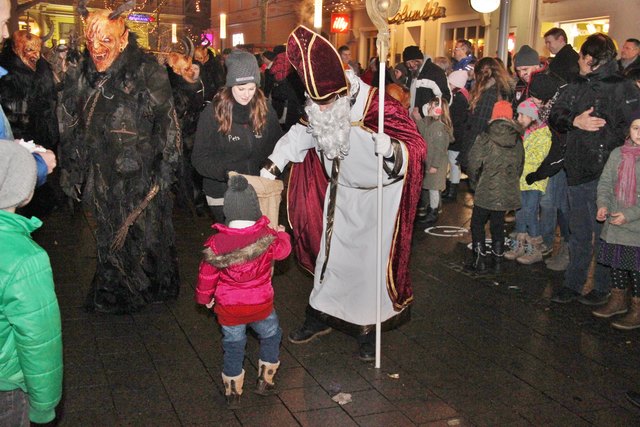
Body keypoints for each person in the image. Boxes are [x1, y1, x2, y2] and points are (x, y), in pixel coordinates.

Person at [261, 26, 426, 361]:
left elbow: (417, 148)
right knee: (331, 261)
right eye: (316, 104)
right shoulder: (320, 107)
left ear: (343, 91)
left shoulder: (378, 106)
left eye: (326, 104)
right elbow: (302, 134)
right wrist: (274, 163)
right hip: (340, 196)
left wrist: (392, 149)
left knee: (369, 269)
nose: (321, 111)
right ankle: (320, 315)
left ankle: (368, 329)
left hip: (378, 199)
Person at [59, 4, 181, 313]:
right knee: (111, 230)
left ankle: (151, 283)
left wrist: (166, 165)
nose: (97, 49)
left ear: (124, 39)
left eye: (106, 40)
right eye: (91, 41)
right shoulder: (84, 74)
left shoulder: (148, 71)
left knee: (147, 232)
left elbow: (168, 120)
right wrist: (73, 166)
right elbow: (74, 123)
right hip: (104, 171)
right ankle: (116, 289)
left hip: (143, 170)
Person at [549, 33, 640, 305]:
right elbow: (555, 114)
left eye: (581, 56)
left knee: (605, 234)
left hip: (609, 173)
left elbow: (634, 125)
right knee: (578, 231)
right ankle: (574, 283)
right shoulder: (576, 84)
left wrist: (606, 138)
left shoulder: (623, 87)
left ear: (590, 58)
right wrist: (575, 120)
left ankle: (603, 287)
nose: (578, 60)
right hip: (577, 168)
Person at [195, 174, 291, 408]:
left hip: (229, 308)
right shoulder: (267, 236)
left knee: (233, 345)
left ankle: (233, 392)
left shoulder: (217, 243)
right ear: (255, 209)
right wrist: (282, 233)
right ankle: (266, 380)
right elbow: (283, 252)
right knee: (271, 334)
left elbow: (207, 276)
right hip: (261, 305)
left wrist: (205, 299)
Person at [0, 140, 62, 426]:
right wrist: (44, 405)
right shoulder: (26, 259)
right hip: (6, 389)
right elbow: (39, 342)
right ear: (26, 193)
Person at [192, 50, 282, 224]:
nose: (246, 94)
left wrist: (272, 168)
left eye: (251, 88)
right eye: (241, 88)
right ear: (230, 85)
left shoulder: (265, 109)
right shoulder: (212, 113)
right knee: (237, 239)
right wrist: (227, 174)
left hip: (258, 190)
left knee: (260, 239)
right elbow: (199, 158)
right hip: (223, 193)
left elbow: (278, 146)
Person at [591, 110, 640, 329]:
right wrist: (603, 205)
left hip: (636, 226)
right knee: (617, 264)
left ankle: (637, 308)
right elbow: (606, 182)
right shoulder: (618, 153)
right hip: (615, 223)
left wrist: (629, 215)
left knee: (637, 270)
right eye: (636, 128)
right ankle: (618, 300)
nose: (639, 133)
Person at [466, 101, 524, 274]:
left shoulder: (485, 137)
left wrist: (475, 183)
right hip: (506, 190)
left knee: (477, 223)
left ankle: (479, 261)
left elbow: (473, 164)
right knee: (498, 224)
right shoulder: (517, 139)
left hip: (486, 187)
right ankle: (498, 261)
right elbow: (520, 166)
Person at [523, 73, 570, 270]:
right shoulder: (546, 107)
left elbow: (559, 149)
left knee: (557, 204)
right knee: (547, 202)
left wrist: (539, 173)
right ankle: (544, 241)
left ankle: (558, 245)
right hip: (547, 160)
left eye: (535, 98)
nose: (532, 101)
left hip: (558, 163)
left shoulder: (558, 110)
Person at [504, 98, 551, 265]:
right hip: (520, 178)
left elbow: (537, 158)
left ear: (533, 117)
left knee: (530, 212)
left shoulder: (543, 134)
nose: (519, 118)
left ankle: (534, 248)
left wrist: (517, 157)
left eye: (523, 115)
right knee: (520, 211)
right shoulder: (523, 132)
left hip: (533, 180)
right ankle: (519, 245)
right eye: (518, 115)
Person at [459, 57, 513, 172]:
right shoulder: (502, 90)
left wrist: (466, 155)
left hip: (482, 151)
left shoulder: (489, 94)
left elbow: (479, 126)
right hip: (495, 148)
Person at [416, 96, 453, 226]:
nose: (429, 108)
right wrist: (418, 118)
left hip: (436, 164)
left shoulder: (440, 129)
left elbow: (440, 149)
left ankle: (433, 212)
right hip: (429, 161)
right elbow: (423, 130)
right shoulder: (431, 123)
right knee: (431, 187)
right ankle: (431, 208)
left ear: (439, 110)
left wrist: (435, 165)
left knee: (434, 189)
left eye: (432, 107)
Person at [402, 45, 451, 121]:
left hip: (429, 120)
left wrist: (423, 112)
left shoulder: (435, 72)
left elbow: (446, 98)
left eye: (414, 61)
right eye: (408, 63)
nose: (411, 65)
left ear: (421, 59)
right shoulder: (411, 73)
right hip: (412, 120)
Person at [442, 70, 469, 202]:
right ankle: (450, 189)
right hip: (456, 134)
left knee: (453, 163)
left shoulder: (458, 99)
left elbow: (455, 119)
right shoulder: (459, 96)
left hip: (456, 136)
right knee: (452, 163)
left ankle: (452, 192)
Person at [512, 45, 546, 109]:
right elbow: (515, 107)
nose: (521, 74)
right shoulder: (520, 84)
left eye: (525, 69)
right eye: (518, 71)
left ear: (537, 66)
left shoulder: (547, 84)